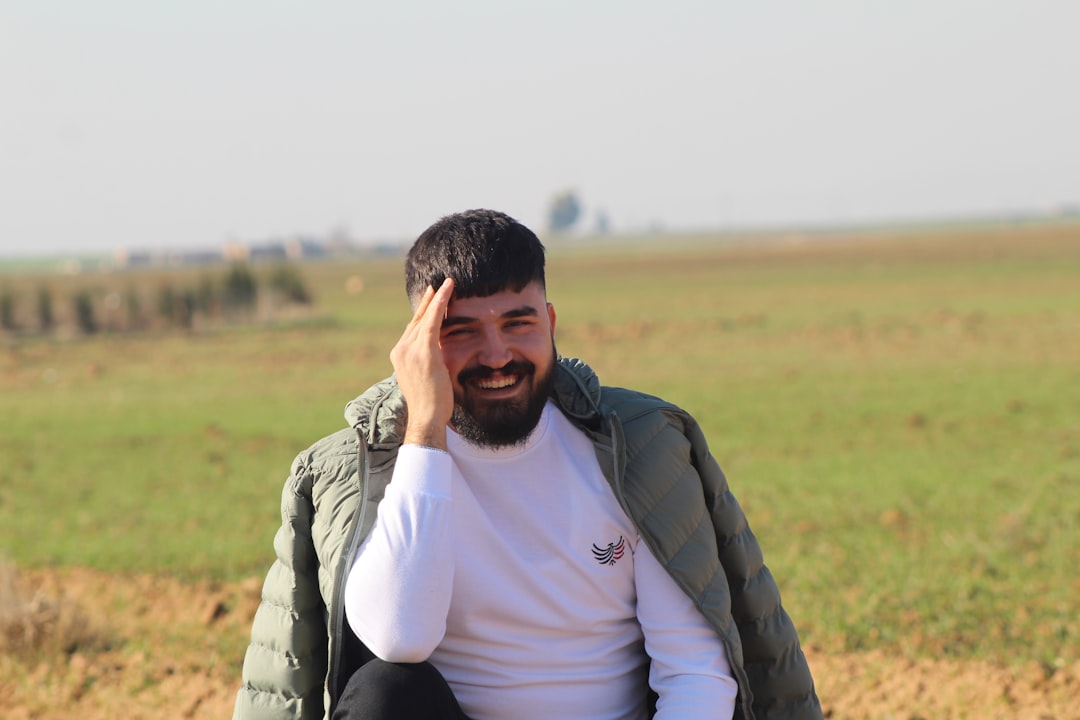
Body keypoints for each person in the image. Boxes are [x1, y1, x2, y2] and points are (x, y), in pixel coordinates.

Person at [234, 209, 822, 720]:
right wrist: (424, 432)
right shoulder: (364, 470)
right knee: (386, 693)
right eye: (461, 330)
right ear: (419, 344)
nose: (497, 355)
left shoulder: (635, 450)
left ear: (551, 324)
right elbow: (399, 636)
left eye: (518, 322)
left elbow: (693, 673)